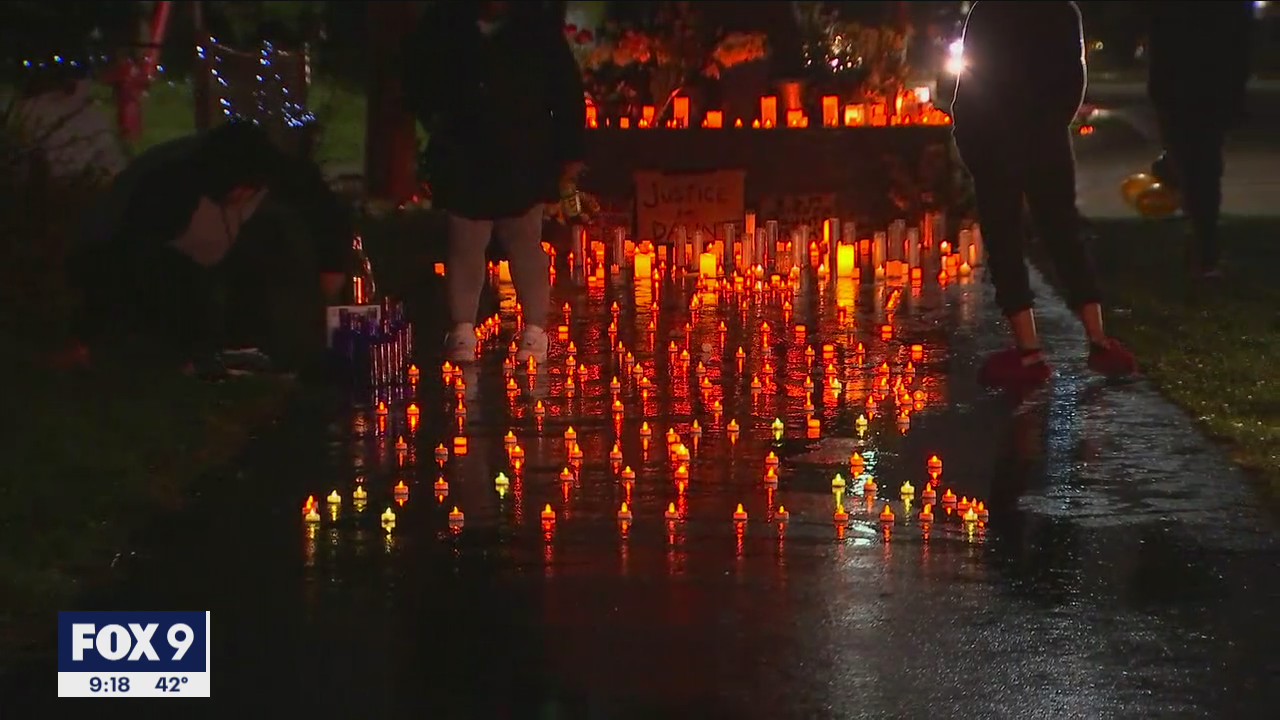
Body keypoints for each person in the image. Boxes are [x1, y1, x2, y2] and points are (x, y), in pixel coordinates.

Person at [950, 1, 1137, 390]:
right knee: (1063, 233)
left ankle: (1029, 350)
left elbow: (972, 80)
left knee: (1005, 240)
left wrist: (968, 134)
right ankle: (1099, 340)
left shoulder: (990, 11)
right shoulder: (1062, 12)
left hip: (994, 138)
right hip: (1044, 140)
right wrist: (1051, 126)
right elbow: (1074, 79)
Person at [68, 120, 353, 374]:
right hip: (139, 259)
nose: (238, 196)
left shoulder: (285, 176)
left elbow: (325, 215)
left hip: (210, 258)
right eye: (231, 191)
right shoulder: (164, 191)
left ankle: (263, 347)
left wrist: (330, 270)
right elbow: (125, 261)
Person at [403, 0, 586, 364]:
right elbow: (418, 78)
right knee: (465, 243)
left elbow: (566, 91)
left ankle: (534, 328)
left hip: (522, 151)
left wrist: (570, 152)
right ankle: (462, 327)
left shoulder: (535, 29)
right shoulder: (446, 25)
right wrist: (435, 123)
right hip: (464, 150)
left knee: (524, 241)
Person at [1146, 2, 1254, 279]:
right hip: (1203, 92)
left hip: (1190, 92)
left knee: (1199, 169)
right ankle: (1204, 251)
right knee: (1203, 171)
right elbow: (1239, 46)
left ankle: (1203, 249)